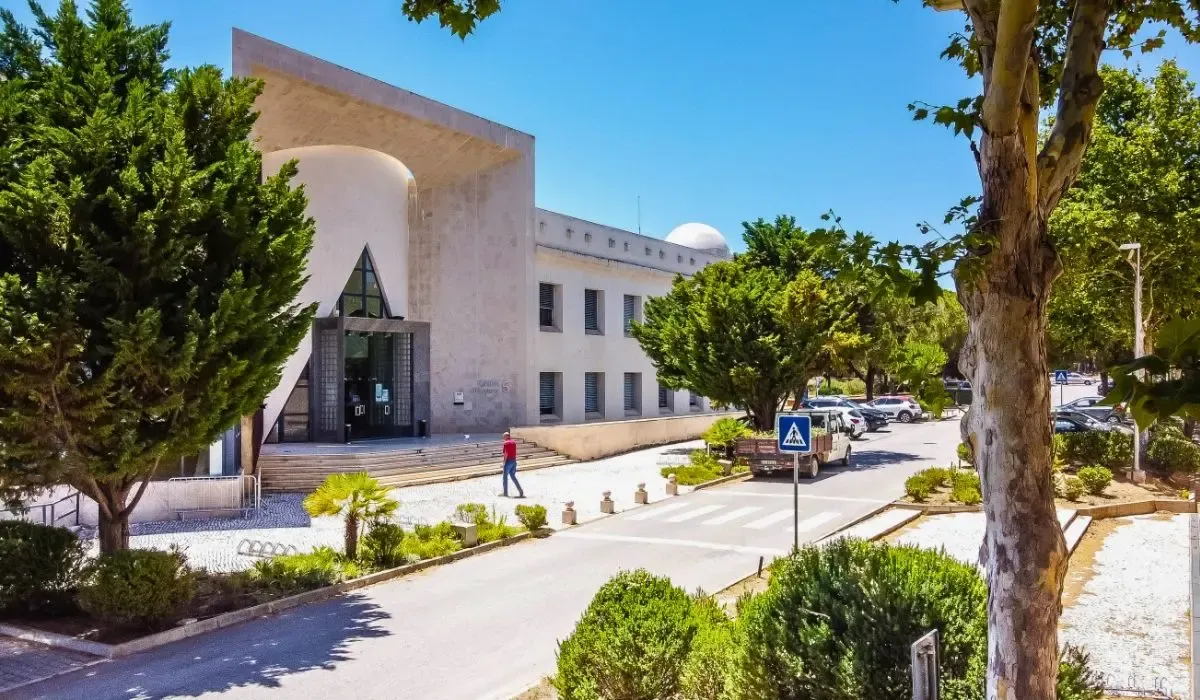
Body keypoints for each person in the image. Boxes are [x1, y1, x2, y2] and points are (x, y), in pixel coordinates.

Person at [501, 431, 525, 498]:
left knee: (505, 477)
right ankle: (520, 490)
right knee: (513, 476)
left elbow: (506, 454)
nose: (503, 438)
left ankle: (505, 493)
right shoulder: (514, 442)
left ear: (506, 436)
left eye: (504, 436)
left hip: (508, 461)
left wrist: (504, 463)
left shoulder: (505, 443)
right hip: (514, 461)